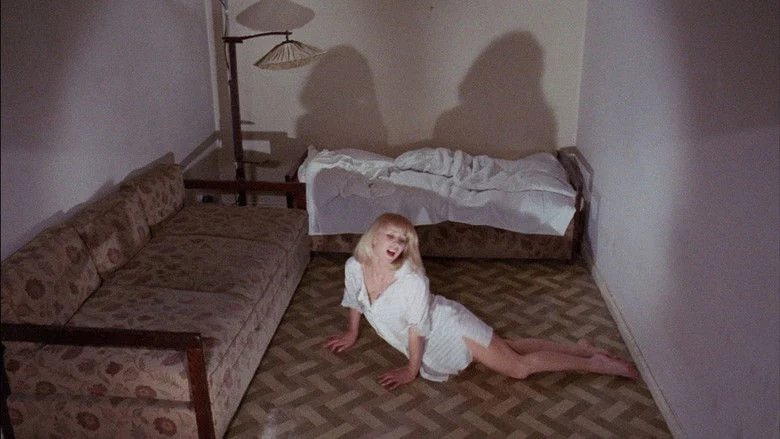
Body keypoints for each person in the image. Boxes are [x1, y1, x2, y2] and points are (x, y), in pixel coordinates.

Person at [324, 213, 640, 390]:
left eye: (403, 239)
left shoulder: (412, 281)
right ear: (374, 236)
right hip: (435, 339)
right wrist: (352, 332)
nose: (396, 244)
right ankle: (583, 350)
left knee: (517, 368)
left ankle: (595, 364)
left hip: (449, 328)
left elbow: (417, 330)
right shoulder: (355, 267)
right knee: (508, 347)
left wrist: (410, 370)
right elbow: (355, 299)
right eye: (391, 236)